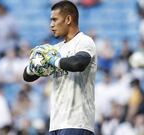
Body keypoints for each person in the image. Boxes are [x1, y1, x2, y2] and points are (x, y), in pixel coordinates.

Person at [23, 1, 97, 135]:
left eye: (55, 20)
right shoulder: (55, 49)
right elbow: (27, 76)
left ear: (68, 19)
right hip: (56, 124)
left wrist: (53, 60)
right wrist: (34, 65)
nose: (51, 25)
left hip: (77, 123)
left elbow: (78, 64)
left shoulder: (84, 41)